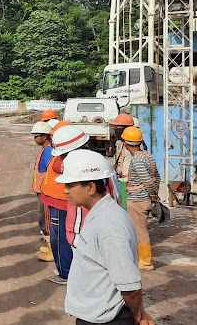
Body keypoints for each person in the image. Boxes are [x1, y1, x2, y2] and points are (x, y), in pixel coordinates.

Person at [58, 149, 156, 325]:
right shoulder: (99, 214)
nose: (65, 191)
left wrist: (138, 314)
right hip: (97, 315)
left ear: (90, 187)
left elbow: (130, 285)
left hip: (108, 320)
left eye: (70, 185)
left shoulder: (109, 224)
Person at [42, 125, 89, 284]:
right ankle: (66, 268)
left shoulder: (68, 161)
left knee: (61, 238)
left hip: (62, 203)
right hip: (60, 202)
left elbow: (57, 166)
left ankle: (66, 272)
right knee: (62, 237)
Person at [122, 126, 160, 271]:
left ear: (126, 144)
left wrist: (152, 195)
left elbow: (148, 181)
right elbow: (156, 177)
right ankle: (142, 259)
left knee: (139, 231)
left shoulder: (137, 160)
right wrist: (153, 195)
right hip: (144, 199)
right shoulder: (148, 156)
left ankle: (145, 262)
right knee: (140, 228)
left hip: (138, 200)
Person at [30, 121, 55, 263]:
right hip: (41, 189)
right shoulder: (46, 150)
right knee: (44, 219)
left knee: (45, 219)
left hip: (45, 190)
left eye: (36, 136)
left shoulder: (48, 151)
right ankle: (49, 246)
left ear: (45, 136)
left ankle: (52, 251)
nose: (35, 139)